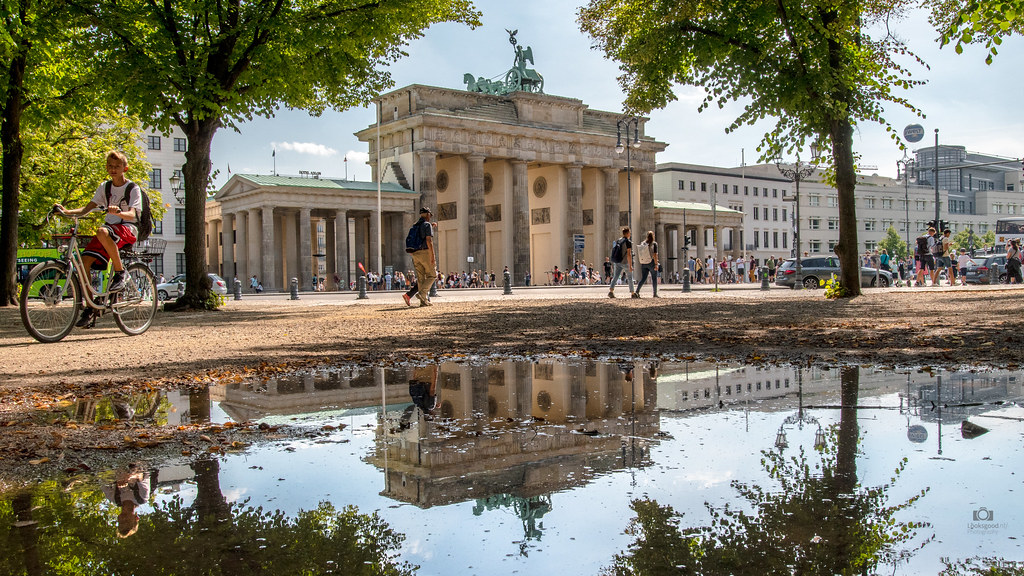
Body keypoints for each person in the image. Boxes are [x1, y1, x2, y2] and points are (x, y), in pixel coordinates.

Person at [54, 151, 143, 328]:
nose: (113, 169)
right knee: (84, 262)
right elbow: (86, 209)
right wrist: (66, 212)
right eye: (110, 166)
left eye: (117, 166)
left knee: (101, 231)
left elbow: (133, 214)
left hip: (128, 228)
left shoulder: (132, 188)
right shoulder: (105, 187)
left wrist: (117, 212)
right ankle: (91, 306)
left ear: (125, 168)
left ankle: (120, 273)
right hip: (109, 231)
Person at [102, 464, 151, 539]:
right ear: (136, 518)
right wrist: (129, 477)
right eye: (127, 521)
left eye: (121, 522)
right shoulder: (142, 497)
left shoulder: (114, 498)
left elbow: (102, 479)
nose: (123, 519)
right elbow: (141, 475)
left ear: (118, 518)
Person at [402, 207, 437, 307]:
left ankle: (423, 301)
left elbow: (419, 236)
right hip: (425, 252)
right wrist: (432, 255)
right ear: (427, 214)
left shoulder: (415, 225)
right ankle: (422, 294)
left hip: (415, 254)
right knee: (432, 275)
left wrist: (431, 226)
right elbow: (428, 241)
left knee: (421, 278)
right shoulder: (427, 225)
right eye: (430, 215)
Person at [608, 227, 634, 298]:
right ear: (627, 233)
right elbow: (629, 254)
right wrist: (630, 265)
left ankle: (611, 291)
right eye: (630, 233)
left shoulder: (618, 240)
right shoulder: (628, 242)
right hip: (625, 262)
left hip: (617, 261)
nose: (630, 234)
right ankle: (632, 293)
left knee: (615, 276)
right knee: (630, 277)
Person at [634, 230, 659, 297]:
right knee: (654, 278)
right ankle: (655, 293)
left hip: (644, 263)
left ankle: (637, 291)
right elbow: (655, 255)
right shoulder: (654, 244)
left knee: (643, 278)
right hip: (651, 262)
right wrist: (656, 264)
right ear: (653, 236)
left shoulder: (643, 243)